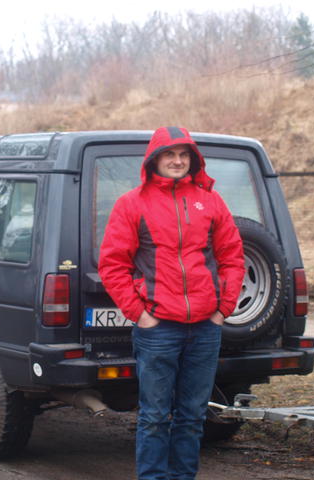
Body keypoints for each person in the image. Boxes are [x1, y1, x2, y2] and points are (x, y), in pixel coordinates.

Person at [98, 126, 245, 480]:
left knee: (192, 416)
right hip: (158, 329)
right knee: (154, 416)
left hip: (205, 329)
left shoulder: (211, 201)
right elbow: (112, 264)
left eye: (183, 155)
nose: (177, 161)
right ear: (154, 159)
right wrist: (139, 314)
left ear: (193, 160)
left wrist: (223, 309)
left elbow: (232, 256)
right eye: (170, 155)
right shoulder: (132, 203)